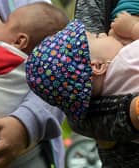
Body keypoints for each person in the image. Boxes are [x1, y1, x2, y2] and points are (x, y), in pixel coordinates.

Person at [26, 19, 139, 167]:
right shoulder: (127, 59)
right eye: (97, 37)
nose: (104, 34)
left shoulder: (109, 101)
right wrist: (132, 28)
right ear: (97, 66)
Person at [0, 1, 69, 168]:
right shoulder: (28, 67)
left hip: (19, 152)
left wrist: (25, 123)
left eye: (5, 22)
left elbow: (64, 71)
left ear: (19, 41)